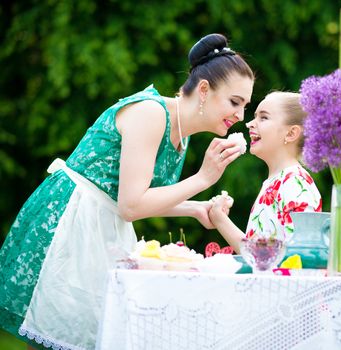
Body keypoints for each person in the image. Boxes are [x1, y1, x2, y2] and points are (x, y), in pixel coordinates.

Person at [0, 33, 254, 350]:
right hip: (70, 222)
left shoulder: (180, 132)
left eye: (245, 106)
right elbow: (130, 206)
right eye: (235, 102)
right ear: (204, 89)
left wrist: (193, 208)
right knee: (65, 333)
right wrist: (203, 178)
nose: (241, 116)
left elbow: (135, 197)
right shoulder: (151, 114)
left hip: (102, 224)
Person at [209, 92, 322, 253]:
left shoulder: (294, 183)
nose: (249, 124)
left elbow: (295, 258)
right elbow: (262, 257)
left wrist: (219, 219)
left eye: (263, 118)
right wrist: (219, 216)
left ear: (291, 133)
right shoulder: (278, 181)